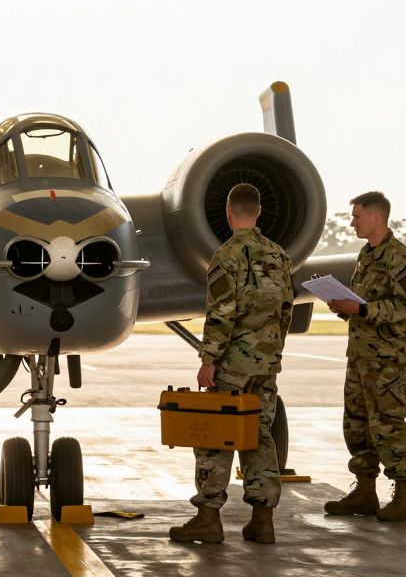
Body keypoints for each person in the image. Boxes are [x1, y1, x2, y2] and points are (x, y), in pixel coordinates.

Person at [170, 183, 294, 546]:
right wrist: (272, 353)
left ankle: (208, 518)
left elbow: (222, 313)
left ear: (228, 212)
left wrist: (209, 359)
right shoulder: (279, 255)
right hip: (266, 365)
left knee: (215, 439)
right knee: (260, 438)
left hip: (233, 366)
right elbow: (287, 310)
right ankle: (263, 520)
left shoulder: (227, 256)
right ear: (258, 212)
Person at [323, 191, 406, 522]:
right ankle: (365, 492)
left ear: (376, 217)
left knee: (388, 424)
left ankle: (405, 496)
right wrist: (344, 306)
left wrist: (362, 308)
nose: (352, 222)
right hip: (360, 357)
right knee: (357, 425)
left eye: (357, 216)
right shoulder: (366, 255)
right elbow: (362, 305)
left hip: (386, 361)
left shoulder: (399, 258)